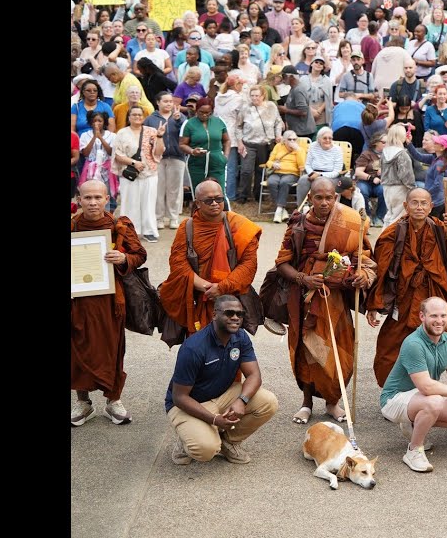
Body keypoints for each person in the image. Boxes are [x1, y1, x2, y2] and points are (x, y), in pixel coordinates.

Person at [275, 177, 376, 424]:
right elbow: (282, 263)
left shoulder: (352, 222)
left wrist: (361, 276)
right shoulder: (298, 225)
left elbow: (365, 260)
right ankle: (306, 402)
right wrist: (303, 279)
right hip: (304, 300)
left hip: (336, 302)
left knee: (338, 351)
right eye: (318, 197)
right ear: (310, 198)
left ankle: (333, 403)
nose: (324, 202)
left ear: (336, 198)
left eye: (329, 197)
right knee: (306, 351)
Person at [166, 294, 280, 465]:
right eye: (229, 313)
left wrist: (242, 400)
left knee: (268, 402)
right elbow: (179, 397)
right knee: (206, 450)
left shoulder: (240, 338)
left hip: (221, 395)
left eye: (239, 314)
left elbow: (254, 375)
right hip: (188, 404)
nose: (235, 317)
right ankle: (186, 441)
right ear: (214, 315)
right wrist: (213, 419)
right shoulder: (193, 348)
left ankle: (229, 442)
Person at [367, 188, 447, 387]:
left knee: (436, 342)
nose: (419, 207)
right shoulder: (393, 233)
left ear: (431, 207)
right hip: (403, 300)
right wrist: (373, 305)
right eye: (414, 203)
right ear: (405, 206)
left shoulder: (440, 228)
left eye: (423, 203)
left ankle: (426, 386)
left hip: (434, 297)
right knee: (389, 346)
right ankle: (391, 392)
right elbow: (381, 269)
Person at [71, 180, 146, 427]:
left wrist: (124, 257)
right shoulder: (72, 226)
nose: (92, 203)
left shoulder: (119, 226)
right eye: (87, 198)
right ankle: (83, 402)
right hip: (77, 302)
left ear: (107, 199)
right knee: (77, 350)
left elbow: (139, 254)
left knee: (112, 349)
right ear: (78, 199)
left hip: (110, 301)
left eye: (98, 198)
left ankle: (114, 401)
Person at [378, 296, 447, 473]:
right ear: (422, 316)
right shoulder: (413, 343)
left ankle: (413, 424)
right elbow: (426, 387)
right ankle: (414, 450)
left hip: (419, 398)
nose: (439, 321)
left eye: (443, 316)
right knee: (434, 401)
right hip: (394, 399)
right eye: (434, 316)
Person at [159, 179, 262, 338]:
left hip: (230, 297)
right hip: (199, 296)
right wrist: (207, 287)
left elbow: (248, 265)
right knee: (199, 344)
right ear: (198, 203)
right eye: (208, 200)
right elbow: (178, 263)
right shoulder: (187, 227)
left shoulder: (239, 225)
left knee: (231, 345)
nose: (215, 203)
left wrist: (221, 287)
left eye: (219, 199)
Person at [113, 104, 165, 242]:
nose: (137, 117)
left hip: (149, 173)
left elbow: (159, 152)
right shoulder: (122, 133)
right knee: (129, 203)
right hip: (129, 173)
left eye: (140, 115)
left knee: (148, 202)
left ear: (144, 117)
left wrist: (159, 136)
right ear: (129, 117)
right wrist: (133, 163)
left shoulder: (151, 131)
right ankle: (129, 231)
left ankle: (149, 231)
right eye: (134, 114)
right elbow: (117, 155)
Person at [145, 92, 188, 230]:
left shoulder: (180, 117)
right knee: (158, 189)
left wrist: (179, 120)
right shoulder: (150, 119)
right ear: (158, 102)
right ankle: (158, 218)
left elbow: (187, 133)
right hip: (157, 159)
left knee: (174, 189)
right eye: (165, 101)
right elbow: (146, 140)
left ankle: (173, 217)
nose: (169, 104)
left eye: (171, 101)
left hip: (177, 157)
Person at [179, 97, 230, 192]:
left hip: (217, 161)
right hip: (196, 163)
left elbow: (227, 140)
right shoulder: (189, 124)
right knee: (198, 192)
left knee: (220, 192)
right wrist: (192, 151)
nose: (204, 115)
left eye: (208, 113)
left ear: (212, 111)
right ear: (196, 109)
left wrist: (225, 156)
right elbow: (182, 144)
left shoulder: (219, 122)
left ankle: (223, 207)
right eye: (201, 112)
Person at [265, 130, 308, 222]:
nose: (292, 141)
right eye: (289, 139)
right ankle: (282, 209)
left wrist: (298, 150)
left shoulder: (300, 149)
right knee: (272, 182)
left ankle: (278, 210)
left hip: (292, 173)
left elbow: (302, 166)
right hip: (276, 172)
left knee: (284, 182)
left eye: (294, 139)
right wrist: (273, 164)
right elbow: (269, 161)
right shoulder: (278, 147)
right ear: (284, 140)